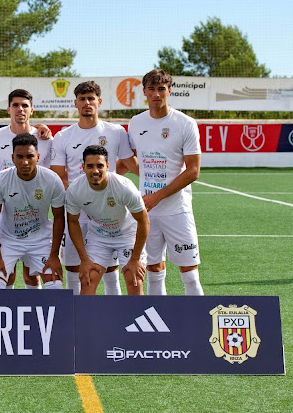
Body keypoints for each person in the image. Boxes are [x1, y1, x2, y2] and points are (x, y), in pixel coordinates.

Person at [50, 81, 138, 296]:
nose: (87, 103)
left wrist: (105, 187)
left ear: (99, 102)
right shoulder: (63, 136)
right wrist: (83, 194)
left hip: (109, 209)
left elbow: (128, 163)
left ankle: (113, 310)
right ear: (76, 103)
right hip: (77, 209)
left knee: (111, 266)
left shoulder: (116, 131)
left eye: (91, 99)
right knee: (73, 264)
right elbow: (58, 174)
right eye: (82, 99)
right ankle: (75, 311)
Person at [127, 69, 204, 296]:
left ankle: (200, 324)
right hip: (147, 211)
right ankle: (157, 325)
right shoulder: (135, 122)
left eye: (161, 89)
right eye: (151, 89)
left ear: (169, 91)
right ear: (144, 92)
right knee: (153, 270)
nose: (156, 94)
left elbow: (193, 171)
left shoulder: (185, 123)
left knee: (189, 274)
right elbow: (126, 158)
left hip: (177, 210)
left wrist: (157, 196)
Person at [0, 89, 52, 289]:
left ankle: (32, 317)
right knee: (5, 275)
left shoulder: (45, 139)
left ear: (32, 110)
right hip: (5, 218)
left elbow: (54, 177)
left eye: (25, 105)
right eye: (15, 105)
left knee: (32, 276)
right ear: (8, 109)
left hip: (36, 218)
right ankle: (6, 317)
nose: (20, 109)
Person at [65, 145, 149, 295]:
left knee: (134, 280)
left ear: (108, 166)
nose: (95, 170)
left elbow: (143, 221)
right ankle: (87, 319)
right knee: (87, 280)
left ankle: (137, 317)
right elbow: (72, 222)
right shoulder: (75, 189)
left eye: (100, 166)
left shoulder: (124, 187)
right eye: (90, 166)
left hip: (127, 236)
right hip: (99, 236)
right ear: (83, 167)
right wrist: (84, 259)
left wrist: (135, 259)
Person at [0, 133, 65, 290]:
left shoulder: (52, 179)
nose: (25, 162)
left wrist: (54, 255)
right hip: (8, 239)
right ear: (12, 157)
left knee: (55, 287)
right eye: (20, 156)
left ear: (37, 156)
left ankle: (37, 314)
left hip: (40, 239)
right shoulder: (0, 180)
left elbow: (58, 217)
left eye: (30, 156)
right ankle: (8, 313)